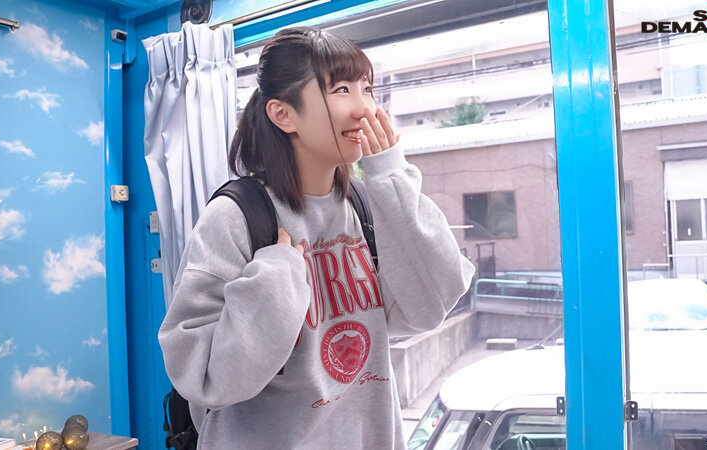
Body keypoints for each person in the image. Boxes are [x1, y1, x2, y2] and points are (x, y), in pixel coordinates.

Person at [158, 26, 476, 449]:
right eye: (342, 90)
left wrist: (392, 179)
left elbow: (429, 307)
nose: (364, 108)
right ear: (283, 115)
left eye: (367, 88)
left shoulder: (366, 205)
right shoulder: (235, 216)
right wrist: (276, 275)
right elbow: (206, 378)